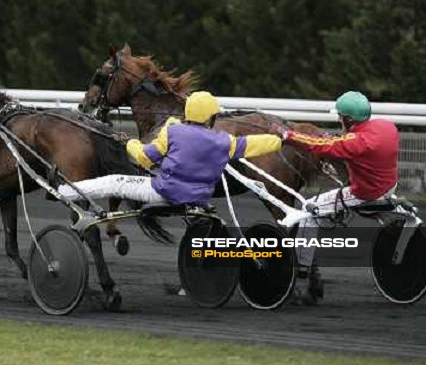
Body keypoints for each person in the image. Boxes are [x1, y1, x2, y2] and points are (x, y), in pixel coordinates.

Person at [272, 90, 399, 304]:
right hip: (390, 186)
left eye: (340, 116)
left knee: (308, 210)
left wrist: (287, 135)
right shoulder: (387, 127)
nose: (338, 119)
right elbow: (351, 141)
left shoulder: (356, 143)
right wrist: (340, 139)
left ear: (348, 119)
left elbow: (319, 146)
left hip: (364, 194)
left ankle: (302, 272)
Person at [58, 91, 283, 206]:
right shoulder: (224, 141)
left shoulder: (173, 129)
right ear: (211, 117)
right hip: (200, 198)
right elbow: (255, 144)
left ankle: (63, 191)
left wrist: (128, 142)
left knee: (114, 181)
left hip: (165, 192)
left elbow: (145, 158)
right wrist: (280, 138)